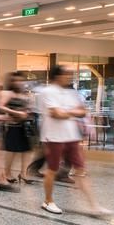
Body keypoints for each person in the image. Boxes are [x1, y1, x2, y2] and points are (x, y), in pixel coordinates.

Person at [40, 66, 109, 216]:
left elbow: (82, 111)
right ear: (57, 76)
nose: (69, 77)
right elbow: (56, 114)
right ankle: (48, 200)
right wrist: (72, 112)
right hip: (53, 137)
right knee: (52, 170)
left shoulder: (71, 92)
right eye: (66, 74)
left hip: (72, 136)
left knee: (81, 170)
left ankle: (94, 206)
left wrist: (66, 112)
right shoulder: (47, 92)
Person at [0, 73, 34, 185]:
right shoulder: (8, 93)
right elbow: (1, 106)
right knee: (11, 151)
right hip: (12, 126)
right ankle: (7, 173)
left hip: (24, 126)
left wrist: (27, 112)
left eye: (21, 80)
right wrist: (16, 112)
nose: (19, 83)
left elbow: (28, 109)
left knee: (26, 150)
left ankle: (23, 173)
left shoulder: (24, 94)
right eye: (16, 80)